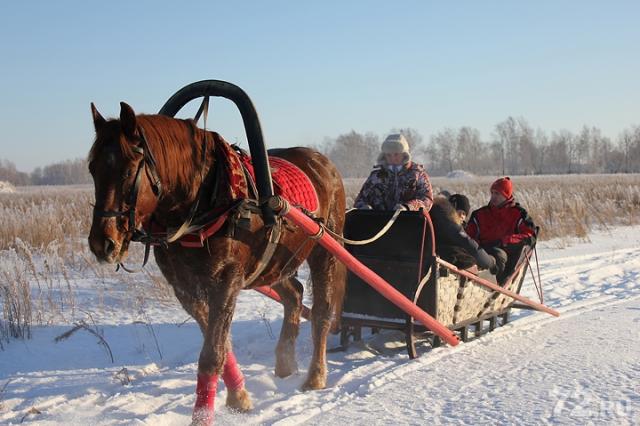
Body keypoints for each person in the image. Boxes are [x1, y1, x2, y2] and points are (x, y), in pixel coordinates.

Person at [465, 177, 536, 282]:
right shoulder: (479, 214)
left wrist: (506, 240)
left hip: (505, 253)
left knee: (498, 255)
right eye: (492, 193)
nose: (493, 196)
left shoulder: (519, 214)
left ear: (506, 195)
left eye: (497, 194)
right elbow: (468, 235)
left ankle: (496, 287)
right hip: (481, 249)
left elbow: (530, 235)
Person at [354, 133, 433, 211]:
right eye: (389, 155)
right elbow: (361, 198)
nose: (393, 158)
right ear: (384, 155)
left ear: (404, 154)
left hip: (410, 219)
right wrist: (363, 207)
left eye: (396, 154)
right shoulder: (376, 176)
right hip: (378, 220)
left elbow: (427, 199)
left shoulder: (417, 174)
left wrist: (408, 207)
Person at [429, 194, 496, 271]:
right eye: (462, 213)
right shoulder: (446, 219)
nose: (462, 217)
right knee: (468, 261)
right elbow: (468, 243)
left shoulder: (434, 212)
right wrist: (490, 262)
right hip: (432, 257)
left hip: (423, 252)